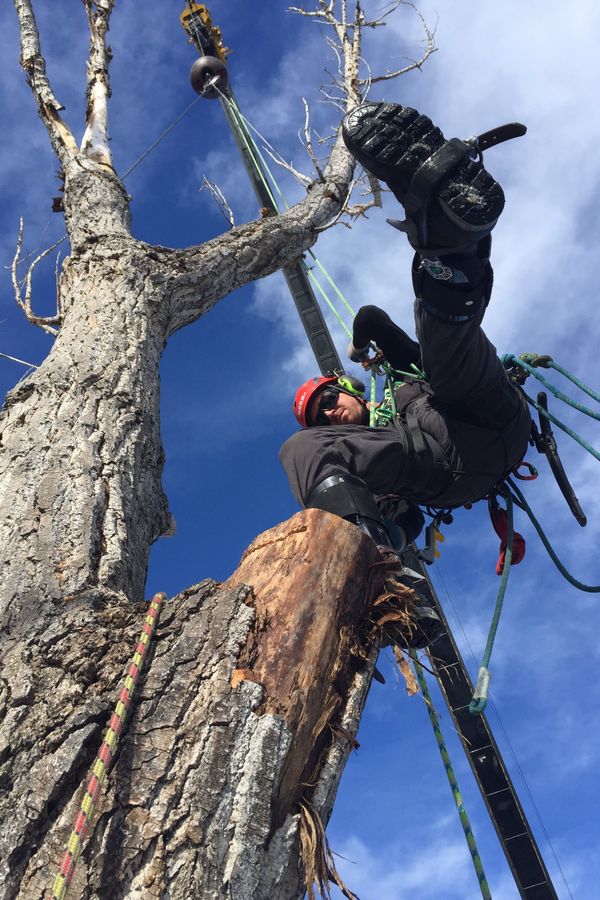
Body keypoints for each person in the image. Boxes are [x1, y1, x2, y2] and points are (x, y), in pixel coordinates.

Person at [280, 101, 532, 576]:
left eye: (329, 399)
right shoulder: (377, 451)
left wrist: (358, 349)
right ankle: (368, 565)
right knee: (298, 450)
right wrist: (386, 526)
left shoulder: (404, 377)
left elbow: (373, 317)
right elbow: (409, 520)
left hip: (478, 405)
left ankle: (449, 239)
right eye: (322, 417)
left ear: (347, 386)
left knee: (443, 350)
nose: (330, 411)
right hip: (443, 466)